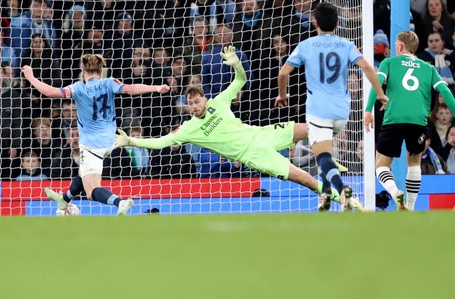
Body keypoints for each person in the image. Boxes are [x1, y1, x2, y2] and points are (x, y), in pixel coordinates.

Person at [115, 46, 348, 206]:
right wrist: (131, 141)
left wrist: (236, 64)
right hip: (253, 155)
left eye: (197, 101)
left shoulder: (219, 101)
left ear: (204, 99)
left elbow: (241, 80)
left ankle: (327, 157)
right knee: (304, 179)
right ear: (188, 107)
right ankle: (339, 198)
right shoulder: (188, 129)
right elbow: (161, 142)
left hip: (260, 134)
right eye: (191, 104)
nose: (194, 106)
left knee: (309, 128)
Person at [22, 54, 170, 215]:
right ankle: (64, 199)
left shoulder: (78, 88)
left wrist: (30, 77)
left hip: (91, 145)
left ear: (83, 70)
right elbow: (131, 89)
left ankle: (120, 202)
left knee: (91, 191)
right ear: (101, 70)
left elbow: (50, 92)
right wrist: (155, 88)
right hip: (111, 141)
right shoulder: (110, 83)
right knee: (82, 173)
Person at [276, 3, 388, 211]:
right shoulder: (346, 44)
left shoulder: (306, 45)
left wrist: (282, 95)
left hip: (318, 111)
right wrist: (380, 94)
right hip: (341, 111)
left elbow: (283, 73)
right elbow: (367, 67)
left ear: (314, 22)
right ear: (337, 24)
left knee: (323, 156)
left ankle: (340, 188)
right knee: (325, 151)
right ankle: (326, 195)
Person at [364, 31, 455, 210]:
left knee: (381, 166)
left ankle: (395, 192)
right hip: (418, 121)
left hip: (394, 119)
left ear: (399, 46)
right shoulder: (428, 68)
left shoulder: (389, 62)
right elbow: (445, 92)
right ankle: (411, 207)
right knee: (414, 163)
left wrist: (368, 110)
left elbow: (377, 81)